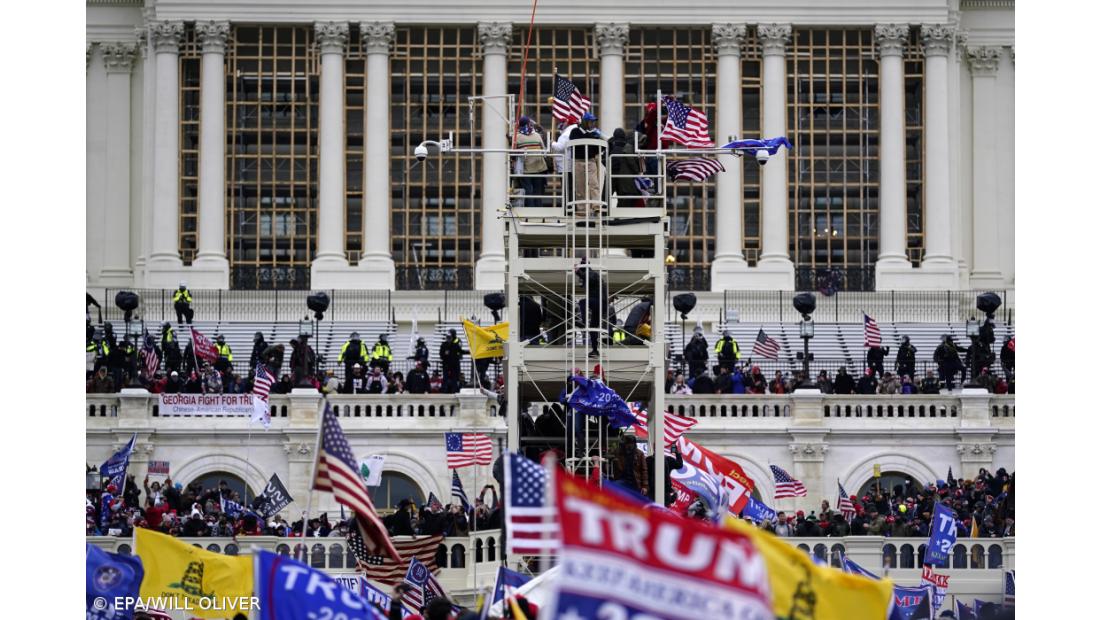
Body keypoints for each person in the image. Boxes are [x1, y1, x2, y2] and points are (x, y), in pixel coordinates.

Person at [568, 112, 607, 216]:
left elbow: (601, 147)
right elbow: (575, 141)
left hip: (590, 160)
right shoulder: (575, 131)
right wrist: (591, 137)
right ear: (585, 122)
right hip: (578, 161)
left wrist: (598, 138)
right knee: (580, 186)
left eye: (593, 122)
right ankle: (582, 209)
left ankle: (596, 206)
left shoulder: (594, 133)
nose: (592, 124)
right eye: (590, 121)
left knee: (594, 184)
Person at [514, 116, 549, 208]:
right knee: (537, 192)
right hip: (539, 167)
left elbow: (513, 153)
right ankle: (538, 210)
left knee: (528, 192)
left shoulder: (517, 137)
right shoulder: (537, 135)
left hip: (526, 170)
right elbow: (544, 150)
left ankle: (530, 208)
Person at [646, 443, 684, 507]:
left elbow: (679, 465)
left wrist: (677, 453)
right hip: (653, 491)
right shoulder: (649, 460)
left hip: (663, 491)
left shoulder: (667, 460)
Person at [439, 329, 465, 393]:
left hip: (454, 364)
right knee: (445, 378)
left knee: (454, 378)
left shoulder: (456, 344)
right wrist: (445, 354)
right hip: (446, 364)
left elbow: (460, 351)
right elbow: (441, 355)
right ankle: (444, 391)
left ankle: (454, 390)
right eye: (447, 337)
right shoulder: (444, 345)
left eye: (450, 337)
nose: (448, 339)